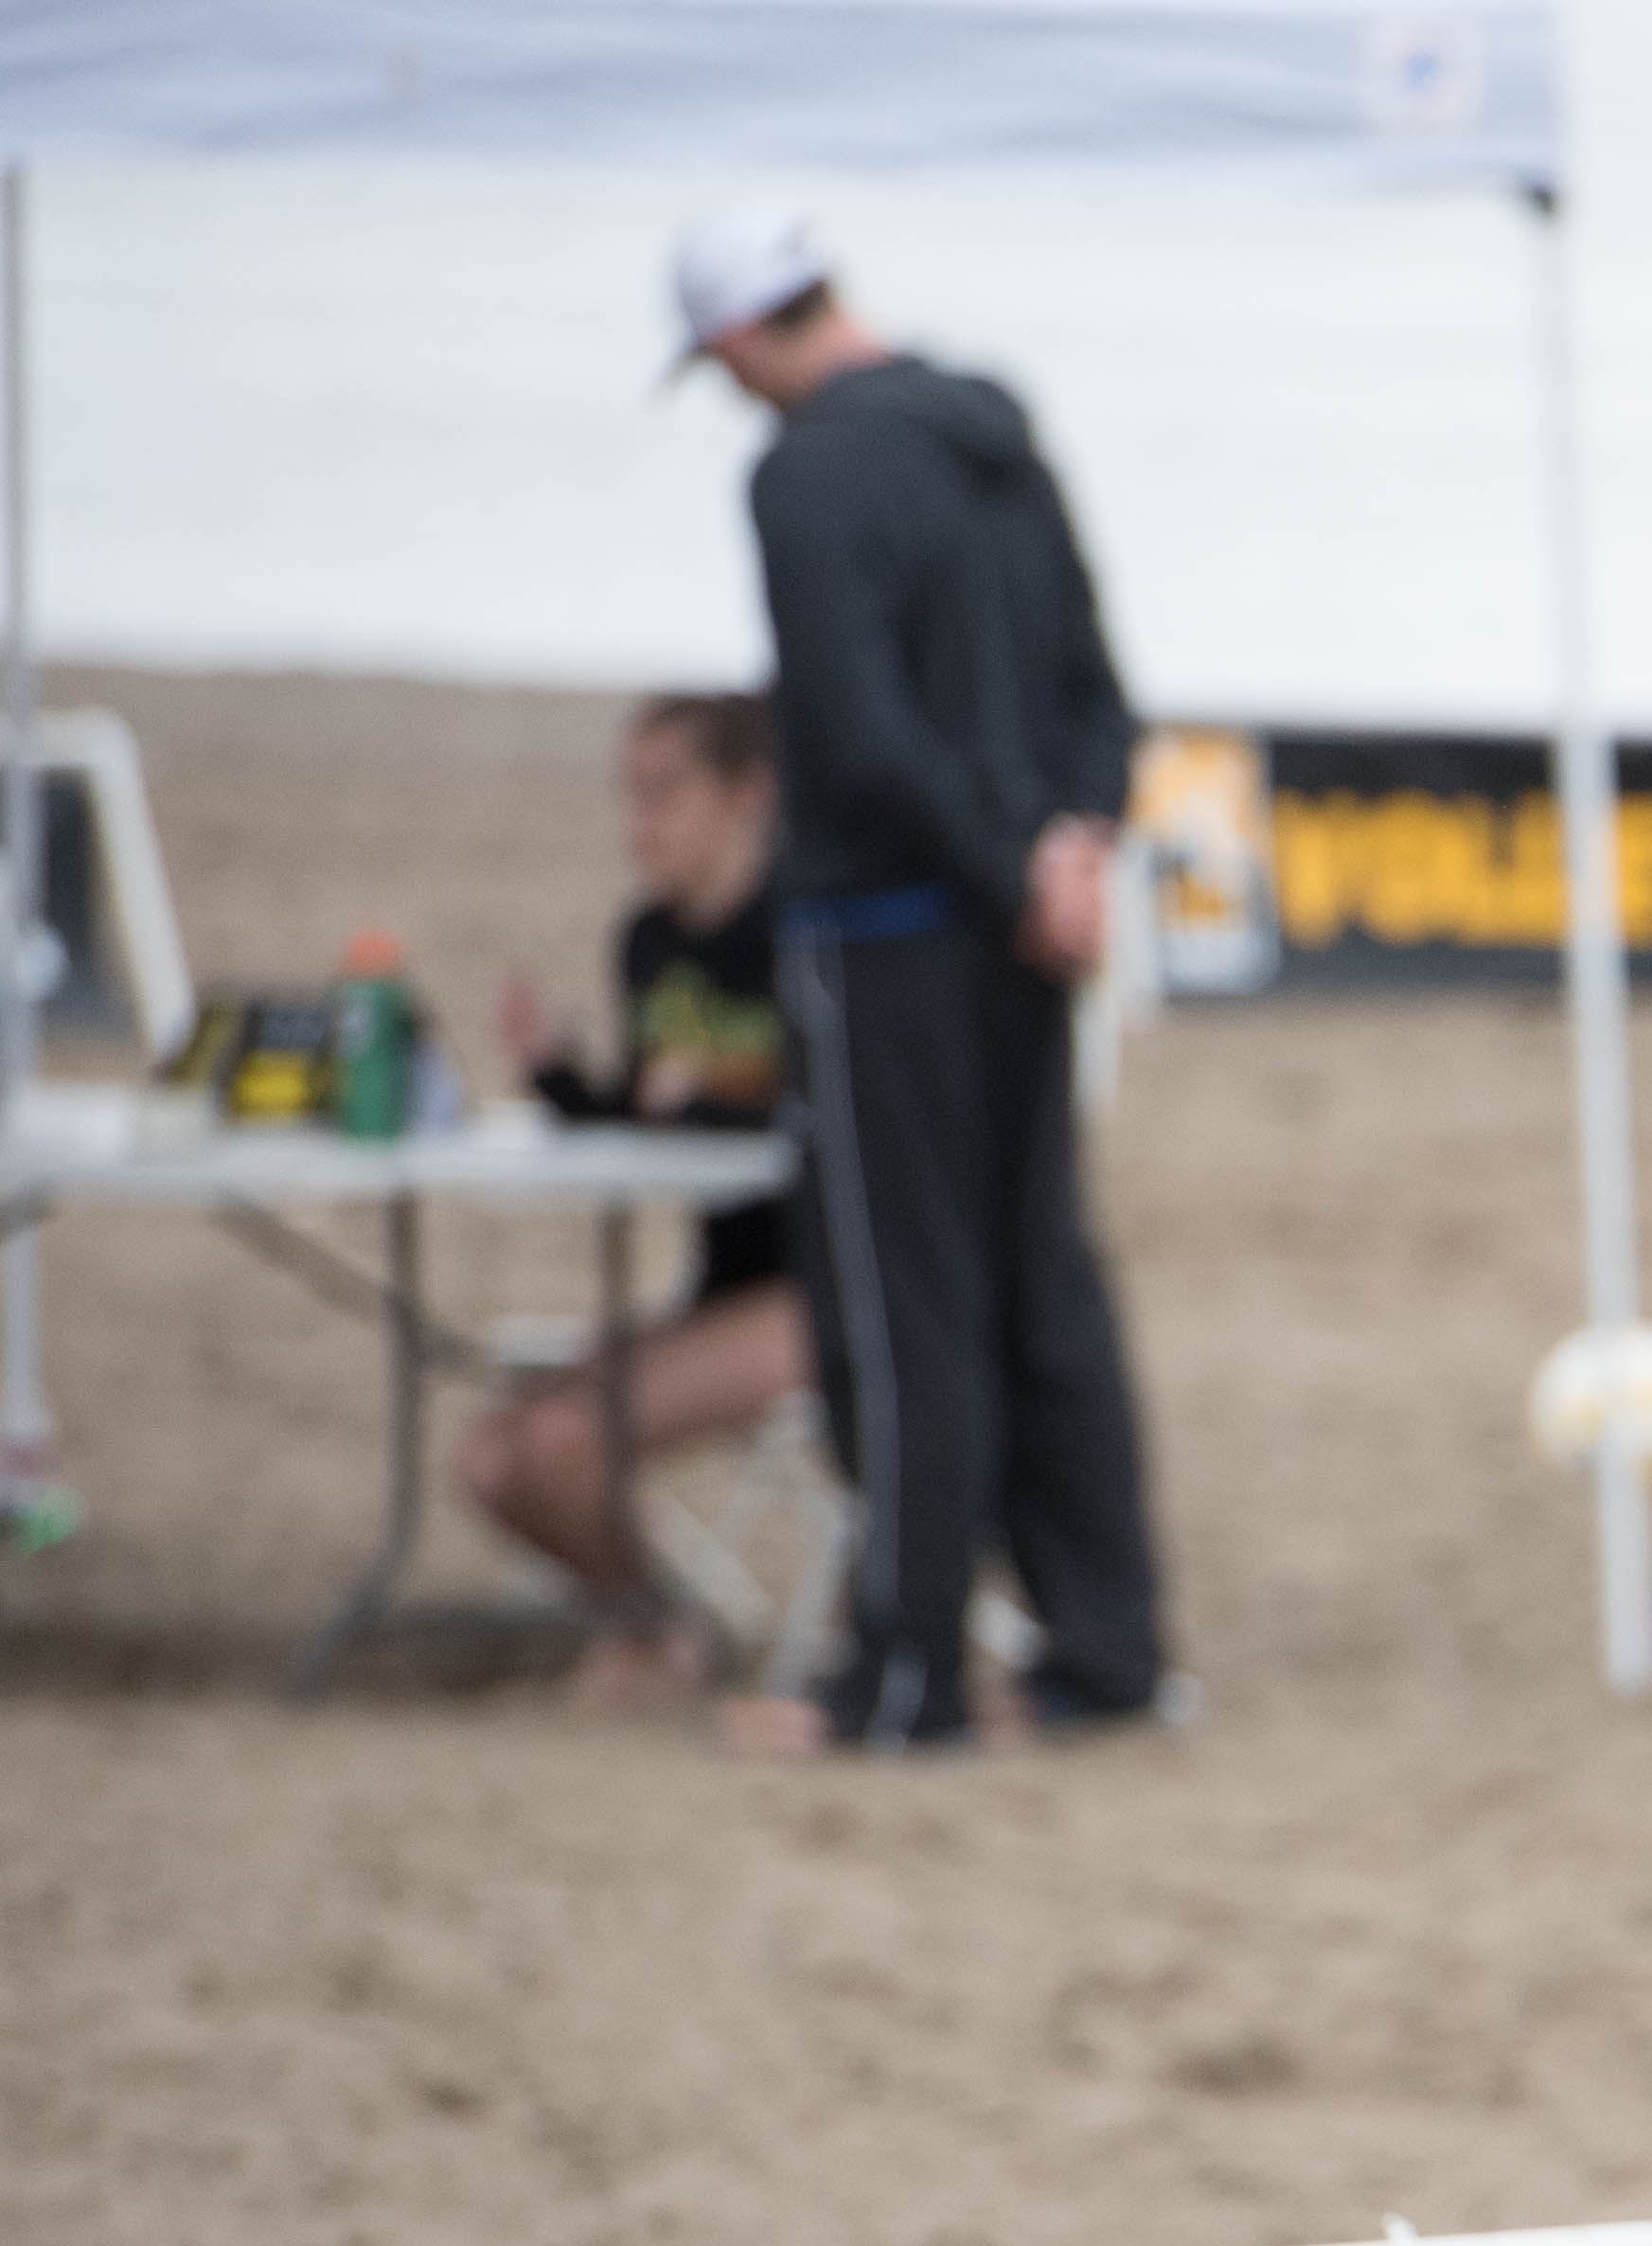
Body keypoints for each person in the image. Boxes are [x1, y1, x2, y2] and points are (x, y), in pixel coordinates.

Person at [674, 207, 1176, 1752]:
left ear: (740, 337)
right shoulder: (994, 430)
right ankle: (1105, 1658)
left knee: (904, 1311)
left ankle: (903, 1683)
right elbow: (1101, 691)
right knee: (1042, 1289)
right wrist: (1071, 849)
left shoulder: (804, 468)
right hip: (1026, 928)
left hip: (895, 929)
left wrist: (1010, 863)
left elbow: (857, 722)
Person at [453, 690, 808, 1704]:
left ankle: (654, 1641)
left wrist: (715, 1098)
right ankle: (654, 1623)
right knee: (491, 1458)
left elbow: (832, 1119)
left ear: (749, 797)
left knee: (562, 1442)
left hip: (820, 1288)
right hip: (724, 1281)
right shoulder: (650, 940)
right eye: (630, 795)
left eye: (664, 794)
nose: (639, 823)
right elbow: (644, 1111)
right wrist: (559, 1076)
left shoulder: (804, 931)